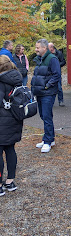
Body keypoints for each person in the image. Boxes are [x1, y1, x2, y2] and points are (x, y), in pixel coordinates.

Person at [31, 39, 61, 153]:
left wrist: (47, 86)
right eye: (36, 47)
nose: (36, 49)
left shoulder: (52, 59)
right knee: (44, 116)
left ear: (44, 48)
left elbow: (56, 75)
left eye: (38, 47)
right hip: (40, 92)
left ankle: (48, 141)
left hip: (48, 93)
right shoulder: (39, 59)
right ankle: (49, 138)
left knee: (47, 116)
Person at [0, 55, 23, 195]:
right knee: (10, 150)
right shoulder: (17, 79)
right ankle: (10, 181)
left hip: (1, 121)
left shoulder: (1, 81)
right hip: (14, 120)